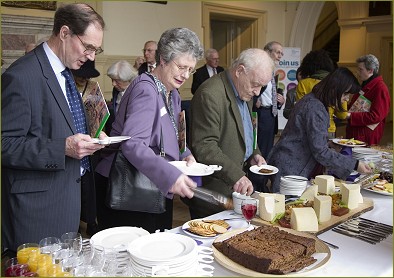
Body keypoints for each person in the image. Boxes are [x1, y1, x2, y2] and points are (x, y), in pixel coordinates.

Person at [1, 3, 106, 253]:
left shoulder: (66, 71)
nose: (91, 56)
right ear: (65, 33)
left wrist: (92, 135)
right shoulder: (21, 76)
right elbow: (5, 144)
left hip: (67, 200)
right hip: (37, 212)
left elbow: (60, 123)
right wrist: (62, 148)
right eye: (88, 46)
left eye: (96, 49)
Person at [95, 27, 203, 233]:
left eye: (191, 69)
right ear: (163, 59)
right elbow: (133, 144)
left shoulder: (172, 92)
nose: (186, 75)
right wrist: (170, 176)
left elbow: (172, 131)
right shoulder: (146, 89)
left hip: (154, 185)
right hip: (129, 189)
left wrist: (185, 153)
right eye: (181, 67)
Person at [183, 48, 274, 219]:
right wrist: (236, 175)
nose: (257, 92)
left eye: (262, 86)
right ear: (240, 71)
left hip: (235, 189)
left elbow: (246, 128)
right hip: (212, 193)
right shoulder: (210, 94)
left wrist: (254, 153)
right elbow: (205, 146)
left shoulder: (244, 89)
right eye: (255, 84)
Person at [267, 67, 372, 193]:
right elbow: (320, 151)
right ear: (335, 89)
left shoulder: (315, 101)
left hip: (290, 163)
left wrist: (328, 143)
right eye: (345, 94)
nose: (347, 99)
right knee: (284, 207)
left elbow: (307, 134)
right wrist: (355, 164)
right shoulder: (315, 107)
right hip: (291, 167)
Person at [71, 59, 101, 236]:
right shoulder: (67, 85)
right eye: (81, 75)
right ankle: (74, 223)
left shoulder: (93, 87)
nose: (83, 78)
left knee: (90, 188)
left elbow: (99, 112)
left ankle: (91, 221)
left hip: (91, 142)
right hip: (73, 142)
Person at [296, 49, 345, 138]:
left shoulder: (303, 84)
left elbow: (300, 110)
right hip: (329, 129)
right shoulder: (337, 84)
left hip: (307, 129)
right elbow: (342, 115)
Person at [346, 54, 391, 145]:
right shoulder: (365, 84)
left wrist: (350, 116)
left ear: (370, 70)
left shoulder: (380, 88)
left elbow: (375, 116)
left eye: (360, 69)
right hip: (356, 131)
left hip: (365, 136)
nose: (357, 72)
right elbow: (355, 106)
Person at [253, 41, 286, 158]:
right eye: (278, 52)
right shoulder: (259, 69)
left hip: (272, 114)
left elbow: (269, 93)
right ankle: (257, 176)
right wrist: (254, 100)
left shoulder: (271, 71)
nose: (280, 56)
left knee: (268, 150)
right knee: (260, 150)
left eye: (281, 53)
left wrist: (280, 101)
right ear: (267, 52)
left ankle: (264, 174)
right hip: (261, 115)